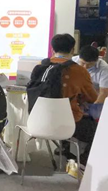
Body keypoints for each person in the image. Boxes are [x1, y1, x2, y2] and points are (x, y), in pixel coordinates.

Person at [31, 34, 97, 166]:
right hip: (68, 124)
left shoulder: (40, 66)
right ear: (73, 50)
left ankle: (65, 149)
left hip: (36, 122)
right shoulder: (79, 71)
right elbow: (92, 98)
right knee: (98, 130)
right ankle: (82, 161)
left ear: (52, 49)